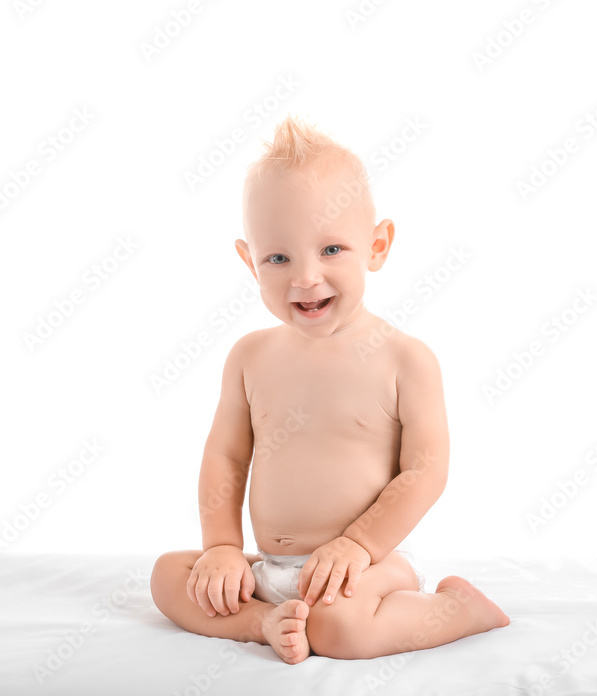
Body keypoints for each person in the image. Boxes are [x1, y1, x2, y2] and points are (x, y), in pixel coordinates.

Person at [151, 114, 508, 663]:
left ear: (378, 245)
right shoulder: (250, 356)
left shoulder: (404, 359)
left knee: (340, 629)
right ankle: (264, 622)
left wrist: (357, 545)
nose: (306, 277)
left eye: (332, 250)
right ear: (250, 262)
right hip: (271, 566)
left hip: (369, 565)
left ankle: (459, 610)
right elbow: (225, 456)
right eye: (278, 257)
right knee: (168, 577)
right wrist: (221, 549)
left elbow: (425, 470)